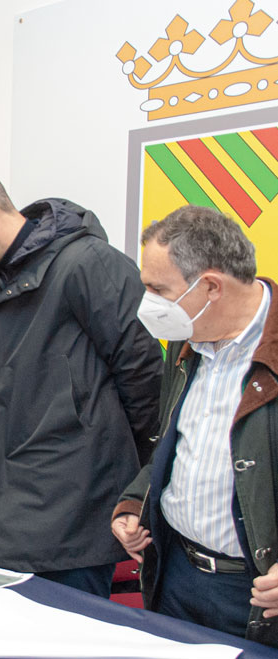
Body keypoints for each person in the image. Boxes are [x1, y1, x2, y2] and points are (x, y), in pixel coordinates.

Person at [0, 166, 162, 596]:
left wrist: (135, 467)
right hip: (17, 501)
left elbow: (143, 371)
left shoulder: (87, 263)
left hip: (77, 498)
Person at [111, 205, 278, 646]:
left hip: (254, 594)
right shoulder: (186, 345)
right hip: (176, 574)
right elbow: (177, 444)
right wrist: (134, 502)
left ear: (210, 287)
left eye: (157, 289)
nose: (147, 303)